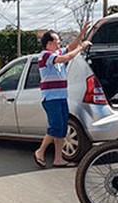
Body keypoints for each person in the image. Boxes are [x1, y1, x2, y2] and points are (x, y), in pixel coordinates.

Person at [34, 24, 91, 168]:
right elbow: (67, 57)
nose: (59, 43)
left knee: (62, 129)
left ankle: (58, 159)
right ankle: (40, 151)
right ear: (49, 43)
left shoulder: (57, 53)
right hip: (51, 98)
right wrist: (82, 47)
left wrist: (81, 34)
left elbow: (70, 49)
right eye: (57, 41)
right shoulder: (46, 55)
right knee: (56, 128)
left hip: (61, 96)